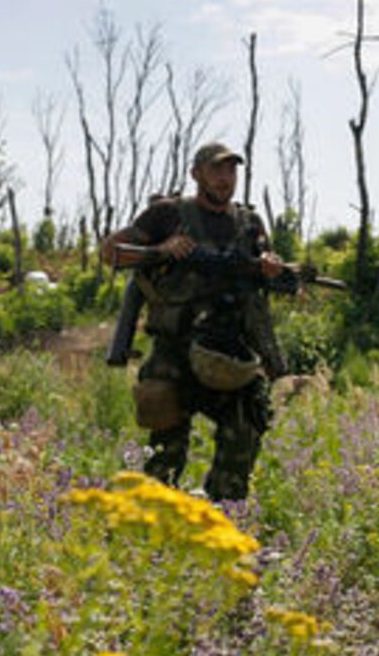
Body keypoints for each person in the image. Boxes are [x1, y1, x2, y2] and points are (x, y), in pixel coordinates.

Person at [101, 142, 286, 500]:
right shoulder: (167, 215)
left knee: (245, 432)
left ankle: (221, 521)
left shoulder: (249, 223)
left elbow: (267, 278)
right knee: (165, 454)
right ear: (196, 173)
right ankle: (152, 529)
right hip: (175, 353)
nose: (224, 178)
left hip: (230, 352)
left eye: (231, 170)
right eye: (216, 170)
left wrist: (272, 269)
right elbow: (111, 252)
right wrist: (160, 251)